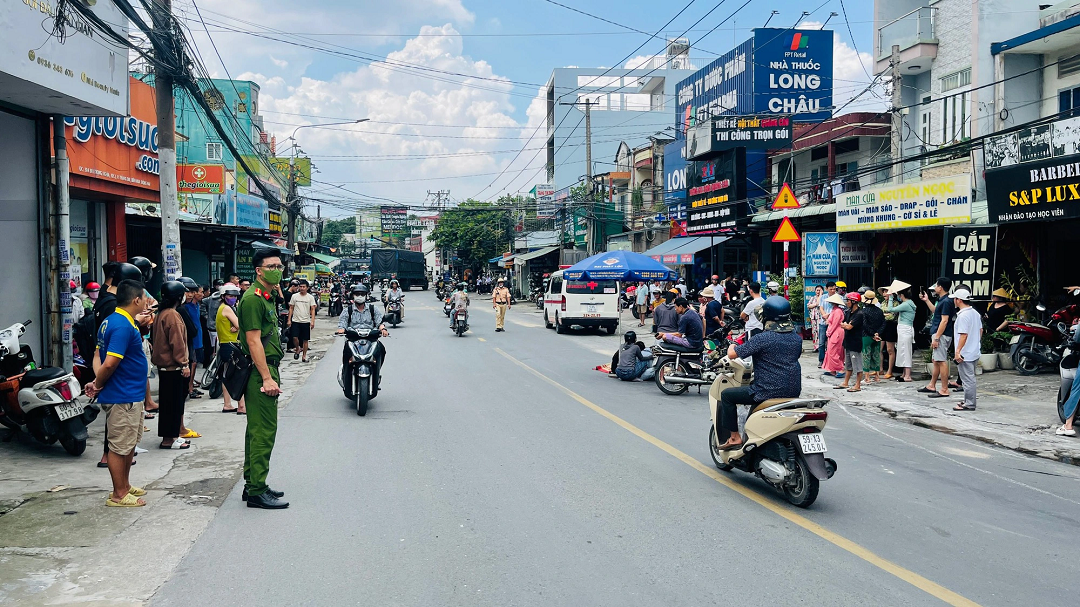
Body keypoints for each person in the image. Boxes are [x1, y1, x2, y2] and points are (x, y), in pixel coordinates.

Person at [83, 279, 150, 507]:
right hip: (123, 395)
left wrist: (96, 379)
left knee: (129, 443)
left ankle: (125, 484)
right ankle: (119, 494)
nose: (147, 301)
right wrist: (99, 383)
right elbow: (109, 362)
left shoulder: (114, 320)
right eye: (144, 297)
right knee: (119, 445)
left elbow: (97, 355)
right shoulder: (121, 325)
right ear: (136, 300)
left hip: (130, 394)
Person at [715, 296, 803, 450]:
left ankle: (735, 437)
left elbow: (732, 354)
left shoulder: (762, 339)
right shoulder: (796, 338)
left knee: (727, 395)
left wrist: (733, 343)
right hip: (793, 389)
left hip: (766, 391)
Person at [238, 249, 289, 509]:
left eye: (280, 265)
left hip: (266, 368)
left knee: (255, 430)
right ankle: (257, 490)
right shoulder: (253, 299)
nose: (278, 270)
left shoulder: (267, 297)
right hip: (261, 371)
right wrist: (267, 378)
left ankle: (253, 484)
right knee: (264, 431)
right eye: (272, 266)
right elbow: (253, 340)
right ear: (259, 270)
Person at [151, 281, 192, 450]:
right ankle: (170, 439)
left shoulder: (162, 313)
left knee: (168, 404)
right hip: (173, 366)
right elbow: (178, 343)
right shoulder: (173, 316)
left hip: (164, 366)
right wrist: (184, 364)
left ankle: (170, 437)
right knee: (173, 404)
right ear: (179, 297)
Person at [336, 283, 389, 390]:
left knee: (381, 350)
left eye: (362, 294)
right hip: (353, 339)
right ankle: (346, 377)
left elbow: (380, 322)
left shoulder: (373, 309)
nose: (359, 296)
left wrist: (383, 329)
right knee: (347, 354)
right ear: (353, 296)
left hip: (371, 338)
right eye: (357, 294)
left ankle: (376, 373)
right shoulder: (348, 310)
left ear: (366, 296)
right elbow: (342, 323)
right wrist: (341, 329)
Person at [920, 277, 957, 399]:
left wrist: (936, 338)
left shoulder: (946, 301)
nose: (935, 287)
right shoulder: (943, 300)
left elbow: (944, 320)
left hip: (941, 334)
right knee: (936, 360)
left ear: (941, 287)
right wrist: (927, 300)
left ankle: (944, 389)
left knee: (941, 361)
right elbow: (936, 312)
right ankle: (932, 384)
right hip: (939, 333)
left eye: (936, 285)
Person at [951, 288, 982, 411]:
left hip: (965, 354)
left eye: (955, 298)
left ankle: (969, 403)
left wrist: (958, 351)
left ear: (958, 300)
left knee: (968, 379)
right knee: (969, 378)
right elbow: (980, 331)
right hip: (973, 351)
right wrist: (975, 343)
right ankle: (967, 400)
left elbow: (963, 335)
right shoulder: (975, 313)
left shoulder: (963, 316)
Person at [216, 285, 245, 414]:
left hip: (225, 344)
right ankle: (241, 406)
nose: (232, 298)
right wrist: (238, 326)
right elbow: (240, 324)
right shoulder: (227, 309)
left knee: (227, 375)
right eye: (230, 296)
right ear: (223, 296)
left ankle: (227, 404)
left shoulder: (222, 308)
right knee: (240, 375)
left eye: (234, 296)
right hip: (232, 344)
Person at [883, 280, 917, 382]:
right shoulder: (908, 303)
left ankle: (907, 375)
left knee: (905, 352)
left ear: (901, 295)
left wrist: (891, 298)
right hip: (904, 329)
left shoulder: (907, 304)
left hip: (905, 329)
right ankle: (904, 374)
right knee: (902, 351)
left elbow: (890, 309)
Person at [837, 292, 865, 392]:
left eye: (848, 300)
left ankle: (857, 385)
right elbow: (843, 324)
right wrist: (846, 325)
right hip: (848, 342)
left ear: (853, 302)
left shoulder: (859, 314)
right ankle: (846, 382)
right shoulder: (848, 312)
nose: (846, 302)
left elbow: (849, 326)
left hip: (855, 343)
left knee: (857, 365)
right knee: (848, 365)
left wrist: (847, 325)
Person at [288, 279, 317, 362]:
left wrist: (312, 321)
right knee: (294, 337)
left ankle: (304, 356)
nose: (302, 288)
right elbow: (291, 308)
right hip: (295, 320)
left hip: (306, 321)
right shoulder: (294, 296)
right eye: (300, 286)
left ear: (307, 288)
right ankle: (297, 348)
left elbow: (313, 309)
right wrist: (289, 319)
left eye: (304, 287)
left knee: (305, 339)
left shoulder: (310, 298)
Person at [861, 291, 886, 383]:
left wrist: (872, 334)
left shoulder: (864, 311)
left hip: (866, 336)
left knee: (866, 355)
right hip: (877, 336)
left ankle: (867, 377)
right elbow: (883, 323)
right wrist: (877, 333)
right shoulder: (879, 311)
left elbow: (864, 325)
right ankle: (877, 376)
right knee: (876, 355)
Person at [823, 293, 846, 378]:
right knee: (831, 350)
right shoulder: (834, 310)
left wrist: (829, 332)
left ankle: (840, 369)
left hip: (836, 332)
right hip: (834, 331)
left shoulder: (837, 311)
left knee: (834, 351)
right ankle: (832, 369)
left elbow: (835, 324)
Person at [816, 282, 837, 366]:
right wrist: (825, 316)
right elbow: (821, 307)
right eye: (831, 289)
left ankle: (830, 360)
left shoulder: (838, 297)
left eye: (834, 289)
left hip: (833, 323)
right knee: (821, 343)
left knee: (832, 343)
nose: (832, 291)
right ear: (827, 289)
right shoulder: (823, 297)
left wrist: (830, 317)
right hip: (823, 322)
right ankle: (821, 360)